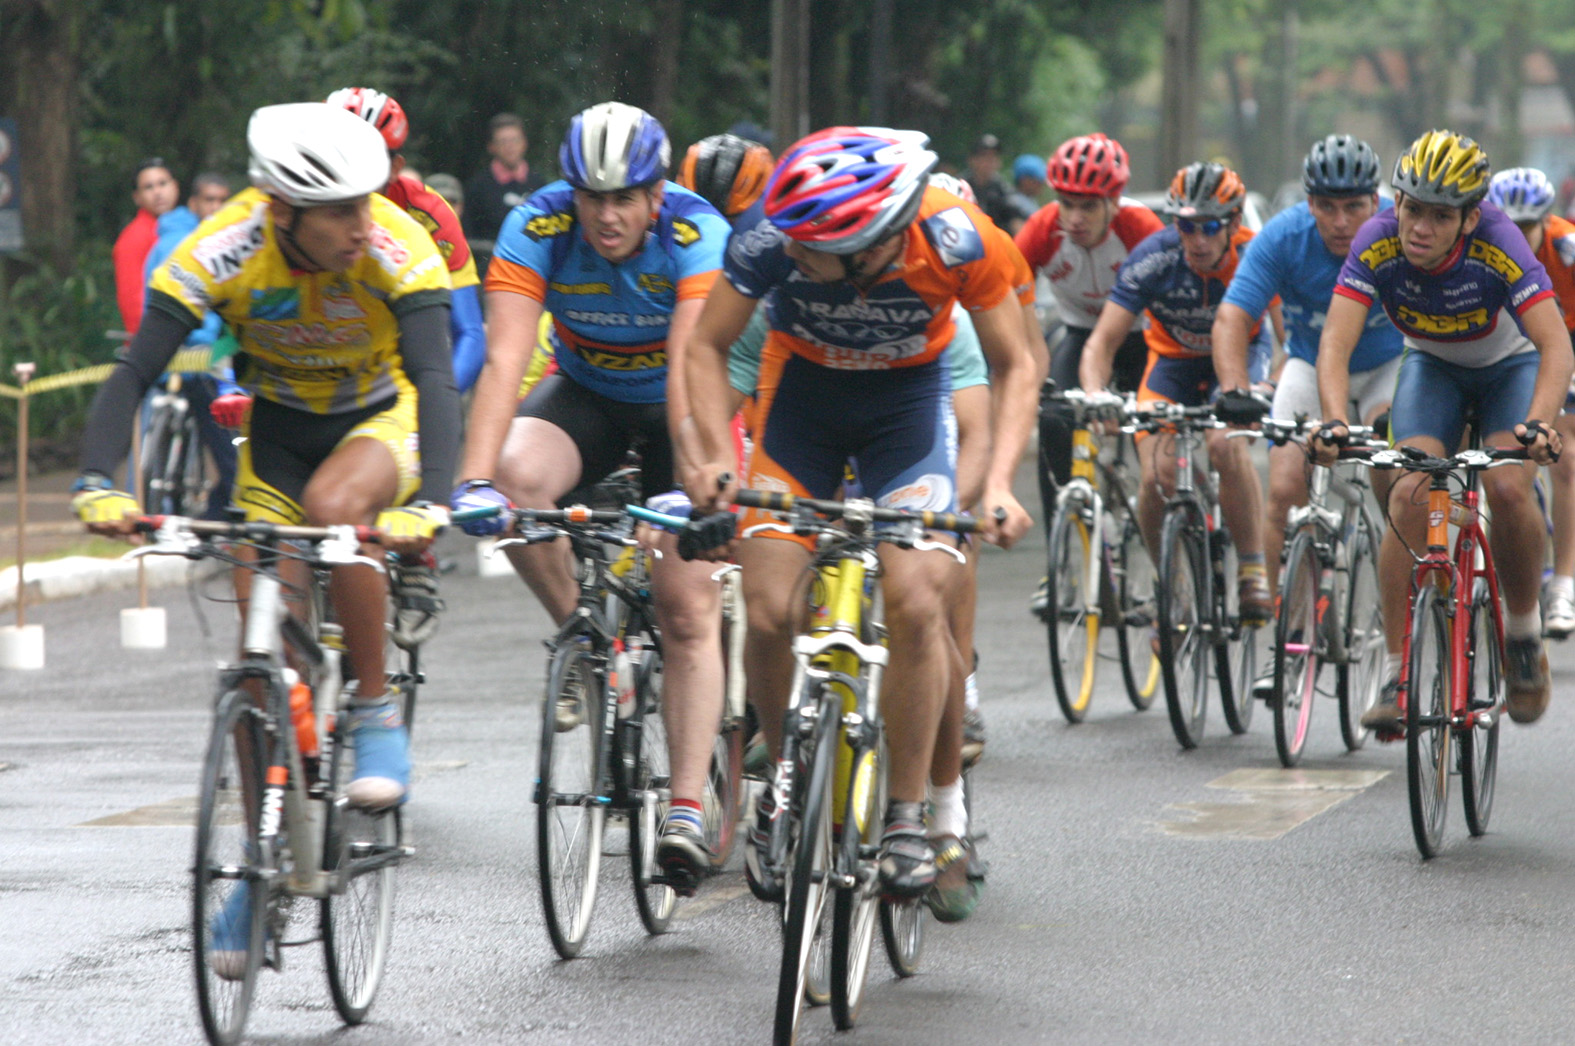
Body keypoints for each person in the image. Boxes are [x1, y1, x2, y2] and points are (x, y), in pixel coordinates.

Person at [678, 126, 1038, 900]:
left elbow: (1016, 363)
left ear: (872, 242)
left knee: (916, 601)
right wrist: (713, 454)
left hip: (906, 414)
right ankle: (782, 782)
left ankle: (910, 818)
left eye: (814, 251)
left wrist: (1001, 481)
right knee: (769, 610)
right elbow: (705, 348)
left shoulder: (953, 236)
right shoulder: (772, 234)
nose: (793, 257)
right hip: (802, 408)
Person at [72, 103, 459, 818]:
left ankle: (374, 708)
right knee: (257, 659)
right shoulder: (224, 247)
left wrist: (431, 501)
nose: (360, 225)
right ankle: (261, 862)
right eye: (339, 212)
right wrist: (98, 481)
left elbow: (435, 378)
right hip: (277, 433)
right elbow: (135, 370)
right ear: (281, 210)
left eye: (364, 206)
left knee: (336, 509)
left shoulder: (395, 243)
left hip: (380, 416)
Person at [448, 102, 733, 893]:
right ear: (569, 191)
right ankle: (582, 638)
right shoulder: (537, 227)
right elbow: (506, 360)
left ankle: (684, 806)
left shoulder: (694, 230)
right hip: (586, 393)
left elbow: (688, 363)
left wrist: (685, 487)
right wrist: (472, 481)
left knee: (682, 601)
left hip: (683, 404)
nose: (606, 217)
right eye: (591, 197)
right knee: (514, 483)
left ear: (655, 194)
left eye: (625, 198)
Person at [1312, 130, 1572, 729]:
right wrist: (1333, 419)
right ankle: (1398, 668)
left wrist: (1538, 423)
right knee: (1409, 492)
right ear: (1395, 203)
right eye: (1410, 208)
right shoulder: (1376, 240)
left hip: (1511, 367)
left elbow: (1556, 345)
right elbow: (1336, 341)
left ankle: (1525, 634)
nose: (1419, 227)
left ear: (1470, 218)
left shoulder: (1500, 242)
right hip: (1433, 368)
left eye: (1439, 215)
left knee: (1508, 488)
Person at [1212, 134, 1404, 702]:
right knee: (1284, 489)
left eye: (1354, 207)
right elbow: (1231, 318)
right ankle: (1287, 638)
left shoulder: (1400, 233)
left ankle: (1402, 581)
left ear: (1376, 202)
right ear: (1309, 203)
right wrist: (1232, 389)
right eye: (1327, 207)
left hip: (1387, 364)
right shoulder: (1283, 236)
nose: (1341, 221)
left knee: (1392, 468)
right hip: (1307, 363)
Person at [1079, 160, 1276, 624]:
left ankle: (1251, 569)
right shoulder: (1154, 257)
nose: (1198, 240)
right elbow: (1101, 342)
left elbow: (1293, 339)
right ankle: (1174, 582)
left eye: (1210, 226)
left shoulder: (1257, 255)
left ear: (1233, 221)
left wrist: (1268, 386)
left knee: (1224, 448)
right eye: (1186, 226)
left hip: (1240, 361)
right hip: (1172, 366)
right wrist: (1093, 393)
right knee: (1156, 478)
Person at [1015, 133, 1166, 609]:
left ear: (1113, 202)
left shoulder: (1142, 227)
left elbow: (1172, 298)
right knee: (1055, 420)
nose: (1074, 219)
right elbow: (1006, 299)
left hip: (1142, 335)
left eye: (1087, 207)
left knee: (1153, 435)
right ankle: (1061, 561)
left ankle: (1163, 542)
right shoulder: (1042, 229)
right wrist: (1025, 367)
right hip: (1080, 333)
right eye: (1065, 204)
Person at [327, 87, 486, 393]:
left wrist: (436, 404)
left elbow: (469, 333)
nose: (347, 171)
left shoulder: (430, 214)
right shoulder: (288, 202)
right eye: (336, 154)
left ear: (395, 169)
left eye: (364, 158)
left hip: (395, 371)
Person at [1487, 167, 1575, 639]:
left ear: (1546, 221)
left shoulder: (1567, 249)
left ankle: (1563, 583)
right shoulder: (1484, 252)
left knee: (1566, 455)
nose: (1517, 237)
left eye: (1528, 228)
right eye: (1509, 225)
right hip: (1517, 350)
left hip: (1569, 343)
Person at [139, 171, 239, 520]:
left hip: (176, 352)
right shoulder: (193, 244)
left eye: (221, 201)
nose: (215, 208)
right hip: (196, 353)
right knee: (231, 435)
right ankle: (224, 508)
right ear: (194, 203)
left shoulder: (168, 238)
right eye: (209, 200)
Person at [463, 112, 544, 269]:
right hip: (491, 269)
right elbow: (470, 236)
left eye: (514, 140)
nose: (510, 146)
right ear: (491, 147)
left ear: (524, 143)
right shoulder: (478, 186)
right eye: (503, 141)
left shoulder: (538, 183)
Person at [112, 158, 180, 338]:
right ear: (137, 197)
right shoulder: (134, 237)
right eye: (148, 187)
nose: (158, 192)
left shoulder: (182, 228)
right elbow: (133, 300)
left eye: (162, 184)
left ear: (175, 187)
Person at [964, 133, 1034, 234]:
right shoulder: (960, 185)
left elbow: (1016, 219)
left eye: (994, 156)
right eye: (984, 155)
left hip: (994, 243)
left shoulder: (1003, 190)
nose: (990, 161)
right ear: (972, 159)